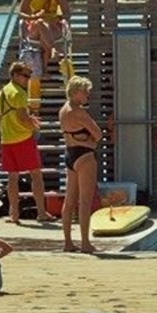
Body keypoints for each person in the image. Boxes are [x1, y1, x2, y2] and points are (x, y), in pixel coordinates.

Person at [0, 61, 48, 225]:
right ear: (15, 75)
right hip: (22, 139)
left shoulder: (3, 92)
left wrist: (25, 119)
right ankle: (41, 212)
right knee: (36, 175)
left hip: (6, 139)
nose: (27, 79)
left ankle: (14, 213)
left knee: (12, 178)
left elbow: (3, 115)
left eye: (29, 76)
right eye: (25, 75)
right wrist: (34, 127)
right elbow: (23, 118)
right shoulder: (19, 93)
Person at [58, 76, 104, 255]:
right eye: (85, 92)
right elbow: (98, 134)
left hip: (70, 155)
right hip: (84, 157)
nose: (87, 95)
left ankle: (68, 242)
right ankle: (85, 243)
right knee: (85, 200)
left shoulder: (63, 110)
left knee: (69, 200)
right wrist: (91, 140)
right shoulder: (79, 112)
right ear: (76, 92)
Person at [20, 0, 75, 81]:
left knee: (44, 36)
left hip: (53, 27)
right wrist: (32, 17)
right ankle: (53, 49)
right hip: (35, 26)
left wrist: (58, 18)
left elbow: (67, 13)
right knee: (40, 23)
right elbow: (21, 12)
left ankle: (44, 71)